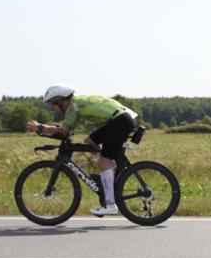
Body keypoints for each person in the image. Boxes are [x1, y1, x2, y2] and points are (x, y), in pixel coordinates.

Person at [26, 86, 137, 216]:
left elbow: (63, 132)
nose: (53, 109)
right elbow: (68, 130)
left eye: (53, 105)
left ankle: (111, 204)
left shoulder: (73, 108)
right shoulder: (76, 104)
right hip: (120, 119)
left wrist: (40, 127)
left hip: (120, 121)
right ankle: (109, 170)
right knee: (91, 141)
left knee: (103, 162)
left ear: (61, 101)